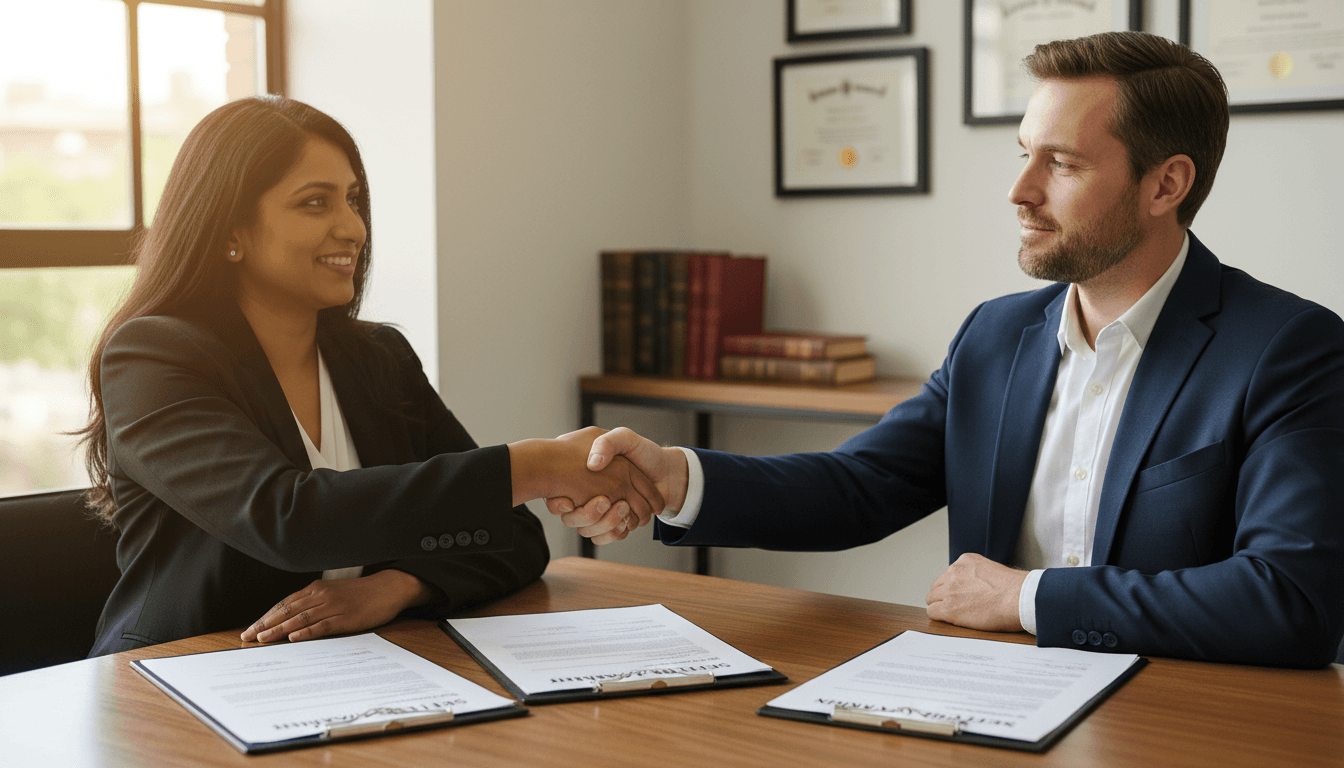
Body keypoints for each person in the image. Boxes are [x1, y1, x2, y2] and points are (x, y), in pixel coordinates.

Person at [548, 32, 1344, 668]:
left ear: (1166, 185)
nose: (1020, 190)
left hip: (1187, 723)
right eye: (1024, 152)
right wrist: (678, 477)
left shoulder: (1287, 349)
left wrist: (1027, 598)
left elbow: (1292, 603)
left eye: (1061, 162)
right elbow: (860, 485)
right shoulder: (996, 335)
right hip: (989, 700)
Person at [81, 95, 660, 656]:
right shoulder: (153, 357)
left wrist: (393, 588)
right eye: (315, 203)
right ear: (230, 231)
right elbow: (289, 519)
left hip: (357, 672)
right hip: (183, 677)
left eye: (353, 200)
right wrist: (534, 464)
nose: (353, 228)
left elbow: (517, 537)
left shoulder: (379, 356)